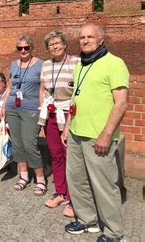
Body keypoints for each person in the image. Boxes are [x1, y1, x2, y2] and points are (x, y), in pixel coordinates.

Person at [63, 24, 128, 242]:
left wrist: (107, 134)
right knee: (77, 180)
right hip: (76, 133)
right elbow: (76, 98)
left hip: (99, 136)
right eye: (82, 37)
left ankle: (113, 232)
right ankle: (87, 220)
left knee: (104, 185)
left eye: (90, 36)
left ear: (101, 39)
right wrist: (67, 126)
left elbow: (121, 104)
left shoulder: (115, 64)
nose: (85, 40)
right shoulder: (81, 64)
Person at [39, 31, 79, 218]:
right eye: (51, 44)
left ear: (64, 45)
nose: (54, 46)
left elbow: (79, 92)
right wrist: (42, 107)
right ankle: (61, 192)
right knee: (56, 155)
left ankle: (73, 198)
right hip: (51, 115)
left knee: (70, 155)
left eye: (57, 43)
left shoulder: (76, 62)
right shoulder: (46, 65)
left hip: (69, 115)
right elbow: (43, 89)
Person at [5, 35, 46, 195]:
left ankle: (40, 179)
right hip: (12, 108)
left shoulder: (41, 65)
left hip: (31, 110)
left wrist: (42, 111)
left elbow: (43, 89)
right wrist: (3, 106)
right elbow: (10, 87)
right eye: (19, 48)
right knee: (17, 144)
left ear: (31, 48)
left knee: (30, 144)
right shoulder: (13, 65)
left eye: (26, 48)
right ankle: (23, 176)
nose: (23, 51)